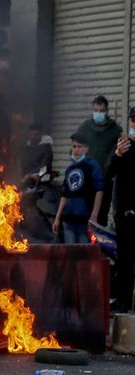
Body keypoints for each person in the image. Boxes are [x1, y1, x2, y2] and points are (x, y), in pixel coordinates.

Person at [105, 106, 135, 312]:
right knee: (125, 262)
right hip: (125, 216)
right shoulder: (124, 147)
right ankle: (124, 303)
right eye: (133, 120)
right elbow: (107, 173)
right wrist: (116, 154)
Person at [76, 95, 122, 226]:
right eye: (96, 110)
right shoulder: (85, 127)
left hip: (105, 179)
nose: (98, 114)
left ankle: (98, 244)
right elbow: (75, 146)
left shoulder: (115, 130)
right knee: (84, 211)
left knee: (101, 215)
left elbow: (119, 154)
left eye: (101, 111)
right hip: (87, 178)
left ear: (106, 111)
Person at [52, 132, 104, 243]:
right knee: (70, 253)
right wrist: (57, 218)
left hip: (84, 220)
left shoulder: (92, 165)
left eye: (79, 147)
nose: (76, 150)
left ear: (86, 149)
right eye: (74, 146)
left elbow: (99, 191)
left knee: (83, 253)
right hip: (68, 220)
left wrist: (94, 216)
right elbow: (64, 195)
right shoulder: (70, 168)